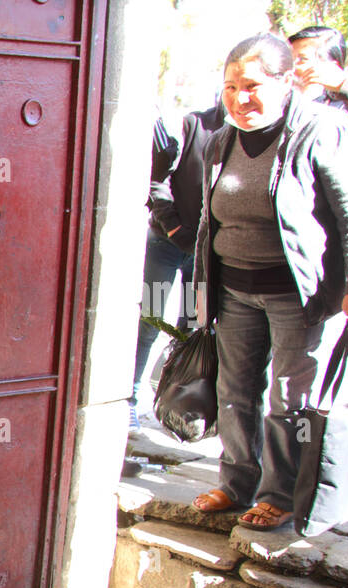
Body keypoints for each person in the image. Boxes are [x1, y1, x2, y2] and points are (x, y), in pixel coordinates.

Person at [191, 34, 348, 530]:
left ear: (286, 83)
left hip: (298, 296)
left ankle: (281, 494)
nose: (241, 99)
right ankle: (237, 481)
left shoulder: (319, 131)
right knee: (234, 390)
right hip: (234, 290)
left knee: (291, 399)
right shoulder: (222, 139)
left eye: (254, 86)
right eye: (231, 86)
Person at [133, 102, 225, 428]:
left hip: (205, 256)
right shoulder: (193, 124)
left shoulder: (253, 140)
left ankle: (179, 404)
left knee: (194, 326)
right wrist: (172, 226)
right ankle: (131, 400)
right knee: (151, 320)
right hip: (166, 244)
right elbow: (157, 179)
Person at [290, 25, 348, 119]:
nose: (291, 66)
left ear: (332, 67)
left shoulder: (343, 113)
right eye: (288, 58)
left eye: (302, 59)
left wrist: (345, 84)